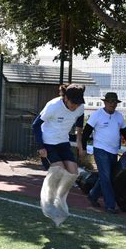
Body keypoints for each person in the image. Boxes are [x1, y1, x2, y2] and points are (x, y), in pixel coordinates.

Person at [32, 84, 86, 226]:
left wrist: (79, 142)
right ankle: (48, 201)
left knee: (73, 172)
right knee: (59, 170)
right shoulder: (53, 106)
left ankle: (59, 200)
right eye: (73, 102)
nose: (75, 106)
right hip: (48, 143)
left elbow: (80, 120)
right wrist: (40, 147)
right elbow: (35, 125)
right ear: (66, 98)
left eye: (78, 103)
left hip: (63, 142)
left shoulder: (80, 107)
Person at [81, 92, 126, 214]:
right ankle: (110, 205)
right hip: (100, 150)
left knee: (106, 177)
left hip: (113, 151)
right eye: (110, 102)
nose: (112, 104)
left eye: (114, 102)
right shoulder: (97, 115)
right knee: (106, 177)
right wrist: (83, 148)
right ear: (105, 102)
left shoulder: (119, 116)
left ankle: (92, 195)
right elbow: (86, 133)